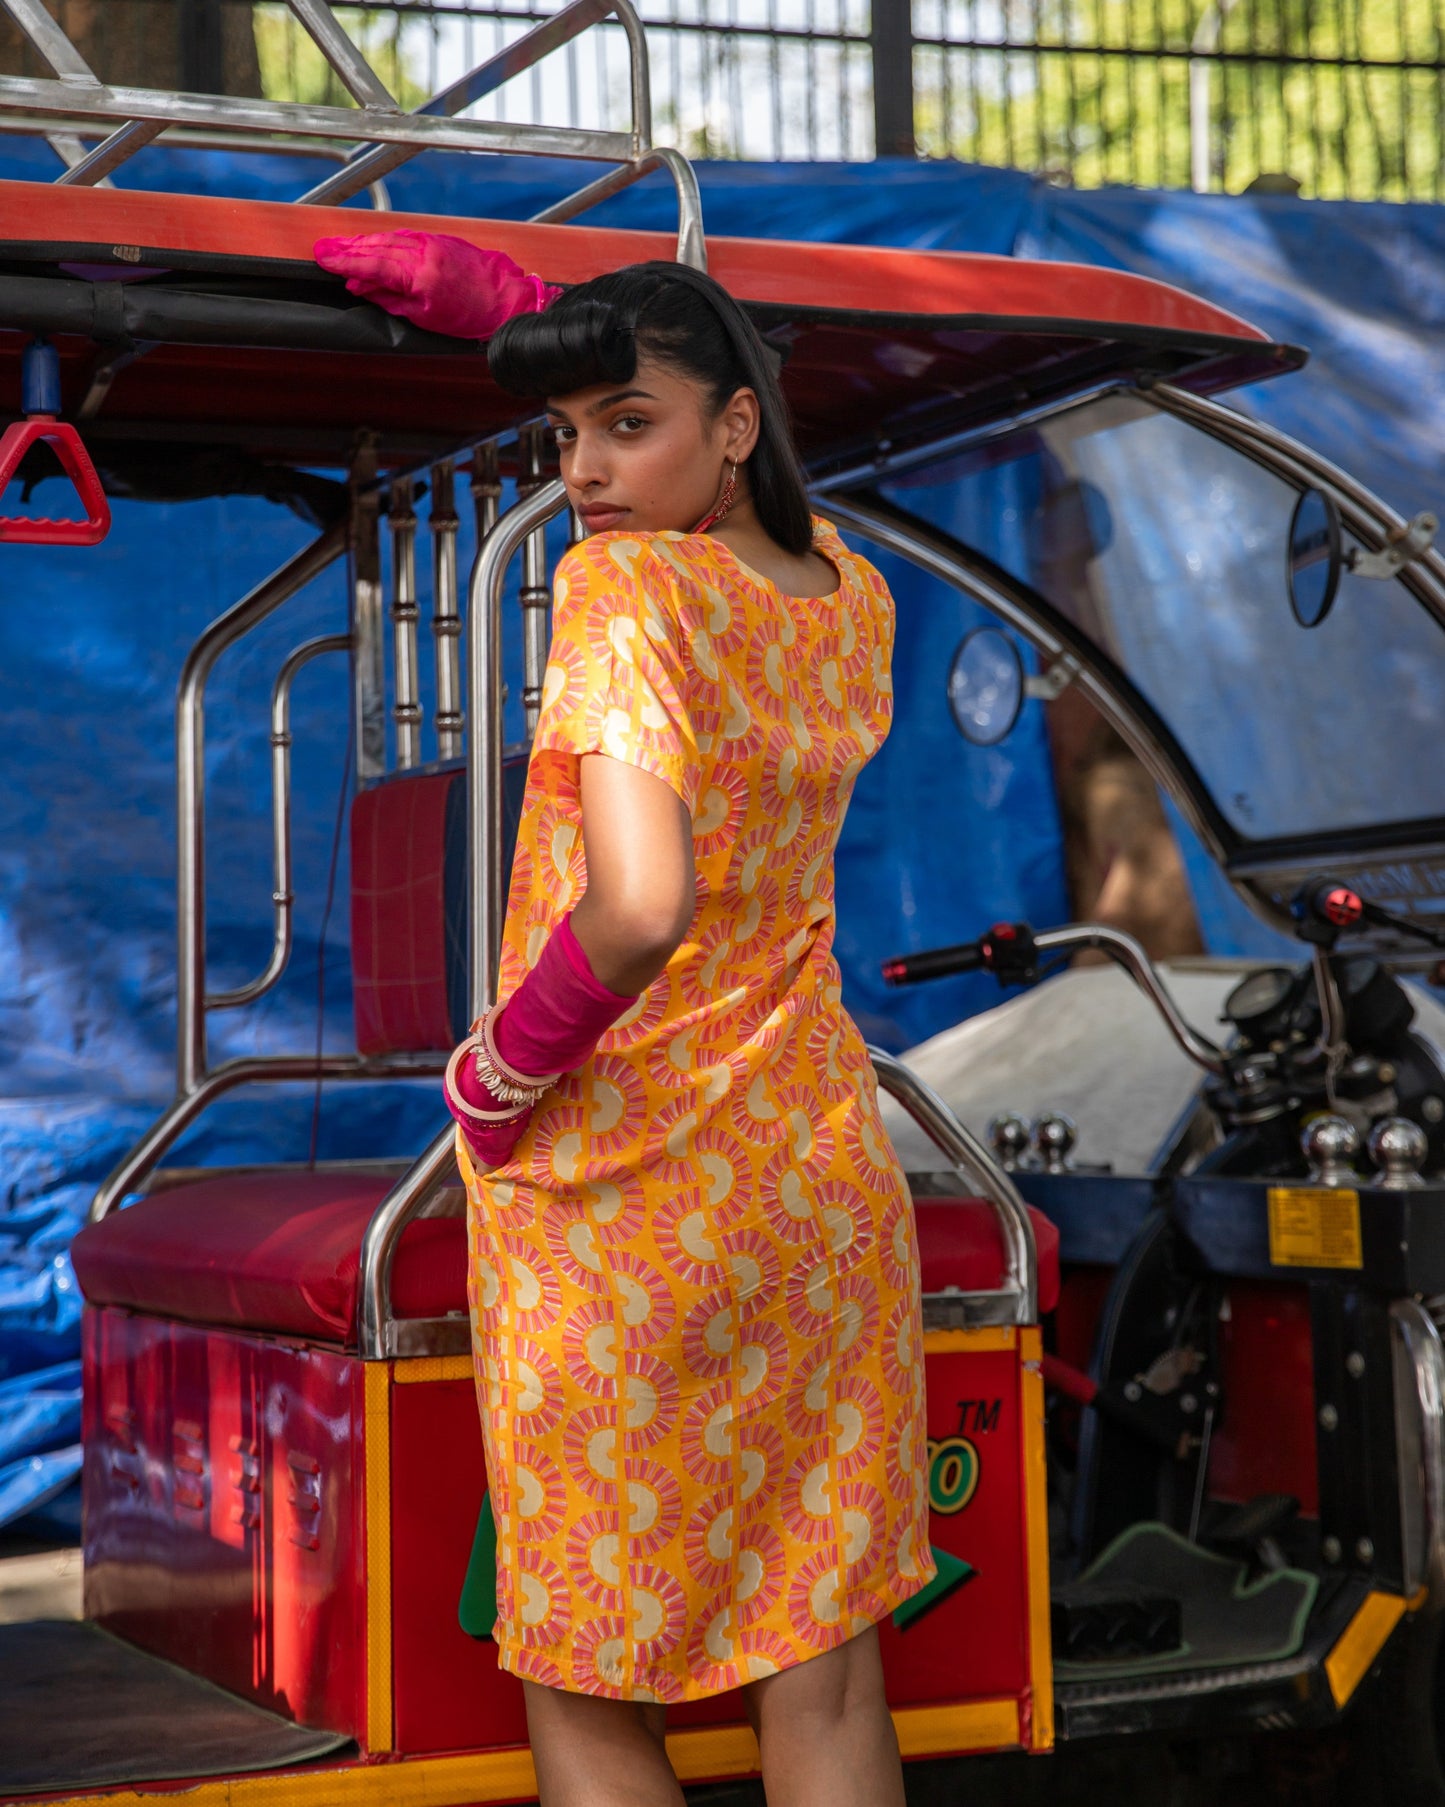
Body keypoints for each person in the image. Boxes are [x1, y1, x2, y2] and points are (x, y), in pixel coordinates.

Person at [337, 242, 933, 1807]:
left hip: (621, 1189)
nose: (584, 475)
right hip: (810, 1176)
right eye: (566, 437)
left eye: (628, 424)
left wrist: (494, 1073)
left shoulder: (623, 588)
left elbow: (639, 904)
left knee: (590, 1676)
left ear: (735, 427)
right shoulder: (850, 596)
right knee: (826, 1667)